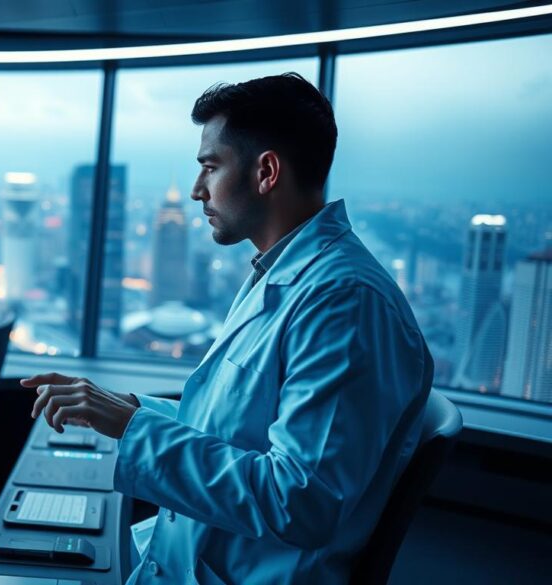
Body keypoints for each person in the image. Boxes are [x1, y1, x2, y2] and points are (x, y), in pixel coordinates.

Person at [22, 72, 434, 584]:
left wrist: (132, 428)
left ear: (266, 172)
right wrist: (127, 409)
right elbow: (235, 430)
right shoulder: (282, 275)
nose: (197, 190)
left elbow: (300, 501)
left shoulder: (345, 303)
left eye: (210, 167)